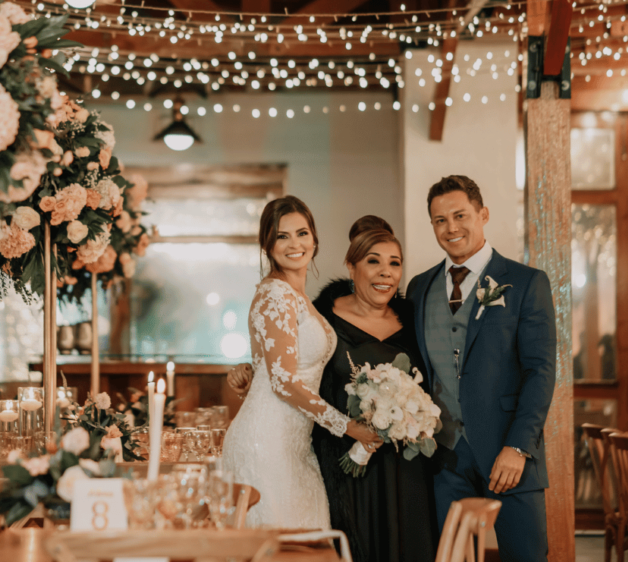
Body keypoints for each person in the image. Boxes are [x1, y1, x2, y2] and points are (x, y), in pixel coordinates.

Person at [229, 216, 436, 562]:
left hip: (402, 465)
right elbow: (285, 365)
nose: (385, 271)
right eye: (373, 260)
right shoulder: (324, 313)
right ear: (351, 266)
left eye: (394, 263)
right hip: (341, 457)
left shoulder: (414, 321)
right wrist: (250, 373)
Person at [407, 175, 555, 562]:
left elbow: (540, 371)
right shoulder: (419, 288)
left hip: (509, 455)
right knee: (449, 557)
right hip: (445, 456)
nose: (451, 227)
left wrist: (519, 447)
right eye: (440, 220)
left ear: (483, 214)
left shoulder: (525, 283)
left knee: (526, 556)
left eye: (460, 215)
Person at [221, 196, 381, 529]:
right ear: (268, 244)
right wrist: (348, 426)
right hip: (266, 443)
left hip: (294, 443)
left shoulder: (300, 298)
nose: (295, 244)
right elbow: (282, 382)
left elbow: (266, 368)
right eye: (282, 236)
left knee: (305, 542)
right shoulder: (275, 294)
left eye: (302, 233)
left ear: (314, 239)